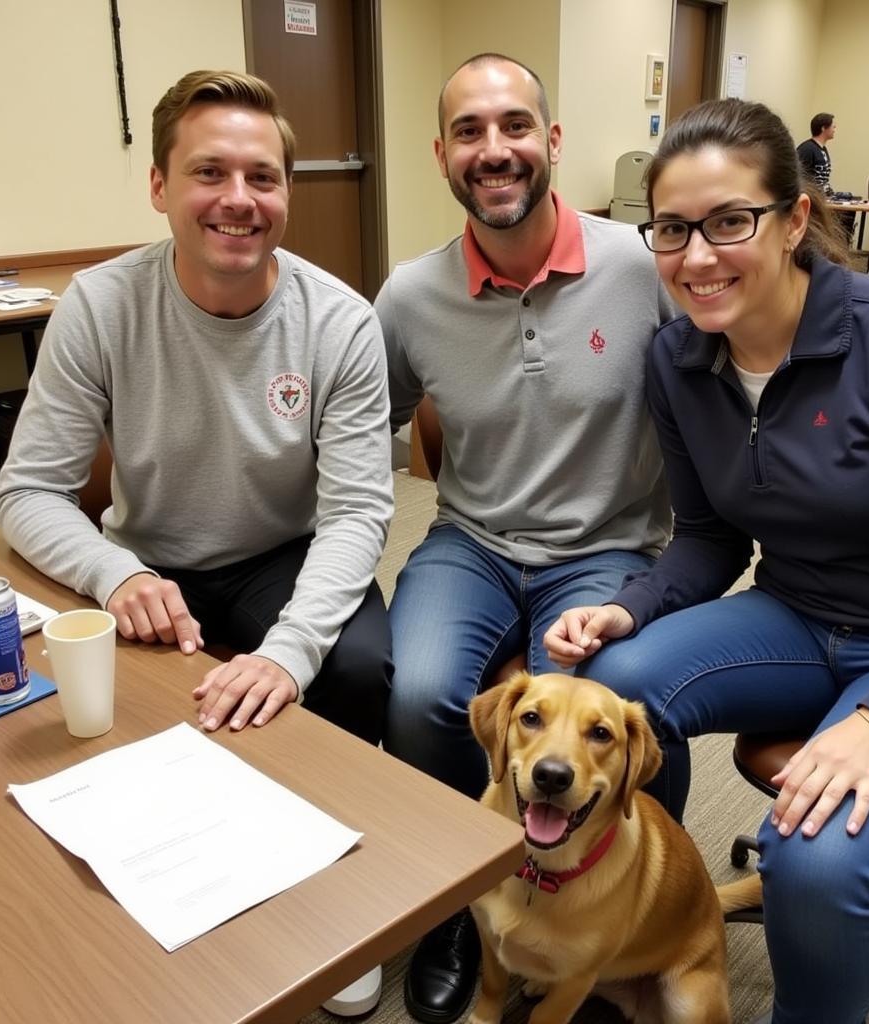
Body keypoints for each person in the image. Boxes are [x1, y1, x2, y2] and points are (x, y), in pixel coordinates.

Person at [544, 98, 869, 1024]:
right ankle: (644, 932)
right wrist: (630, 608)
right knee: (615, 691)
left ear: (797, 217)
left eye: (730, 221)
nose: (698, 254)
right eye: (672, 229)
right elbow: (713, 536)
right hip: (799, 615)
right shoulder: (678, 360)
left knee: (814, 857)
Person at [0, 70, 393, 1013]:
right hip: (146, 557)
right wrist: (112, 570)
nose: (239, 200)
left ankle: (333, 900)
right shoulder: (99, 305)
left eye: (264, 176)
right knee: (105, 710)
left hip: (282, 550)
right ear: (162, 187)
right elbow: (26, 491)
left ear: (287, 193)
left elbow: (359, 515)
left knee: (361, 665)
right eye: (210, 171)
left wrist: (291, 654)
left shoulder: (340, 321)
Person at [373, 53, 675, 1024]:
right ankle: (462, 906)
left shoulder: (638, 262)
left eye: (513, 126)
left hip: (606, 544)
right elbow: (354, 430)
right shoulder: (410, 296)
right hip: (470, 540)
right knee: (419, 691)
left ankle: (593, 911)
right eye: (468, 131)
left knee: (603, 713)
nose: (492, 148)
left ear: (550, 142)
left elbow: (761, 318)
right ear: (441, 154)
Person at [796, 112, 835, 194]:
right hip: (810, 198)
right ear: (823, 128)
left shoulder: (823, 149)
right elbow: (798, 176)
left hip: (821, 197)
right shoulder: (806, 149)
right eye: (833, 127)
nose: (834, 129)